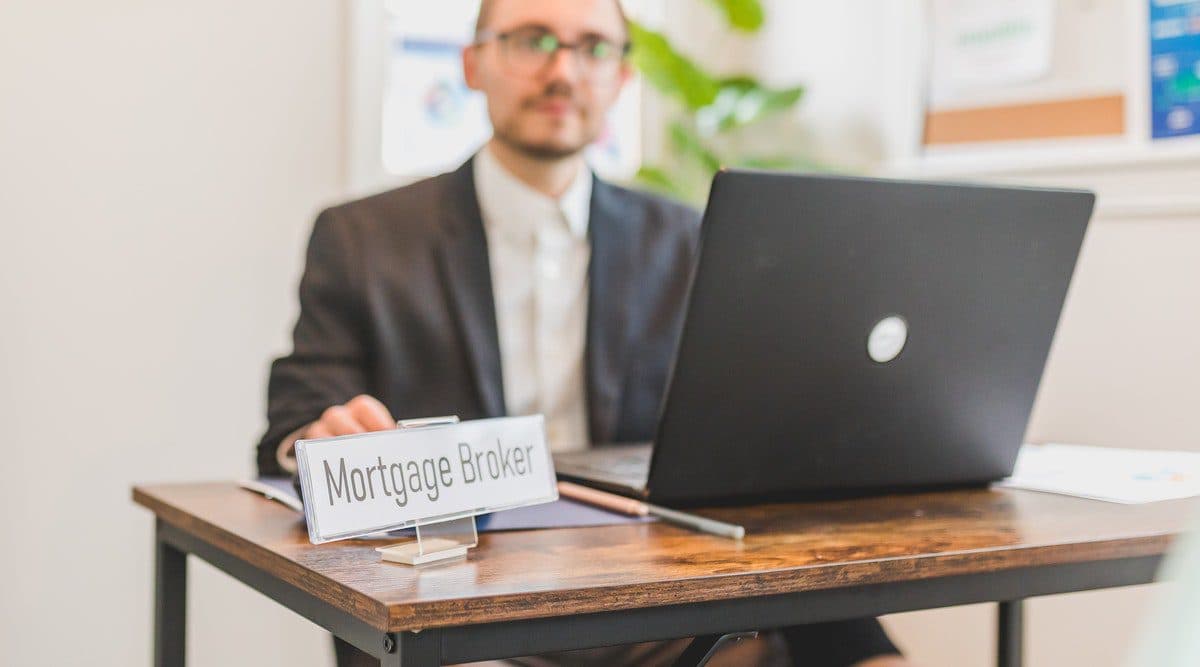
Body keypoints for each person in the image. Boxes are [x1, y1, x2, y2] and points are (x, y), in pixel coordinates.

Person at [257, 1, 910, 665]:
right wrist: (320, 437)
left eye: (593, 47)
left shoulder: (685, 238)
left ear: (622, 79)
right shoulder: (364, 238)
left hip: (652, 599)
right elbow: (291, 422)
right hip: (453, 608)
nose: (562, 70)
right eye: (530, 41)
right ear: (471, 63)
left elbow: (751, 438)